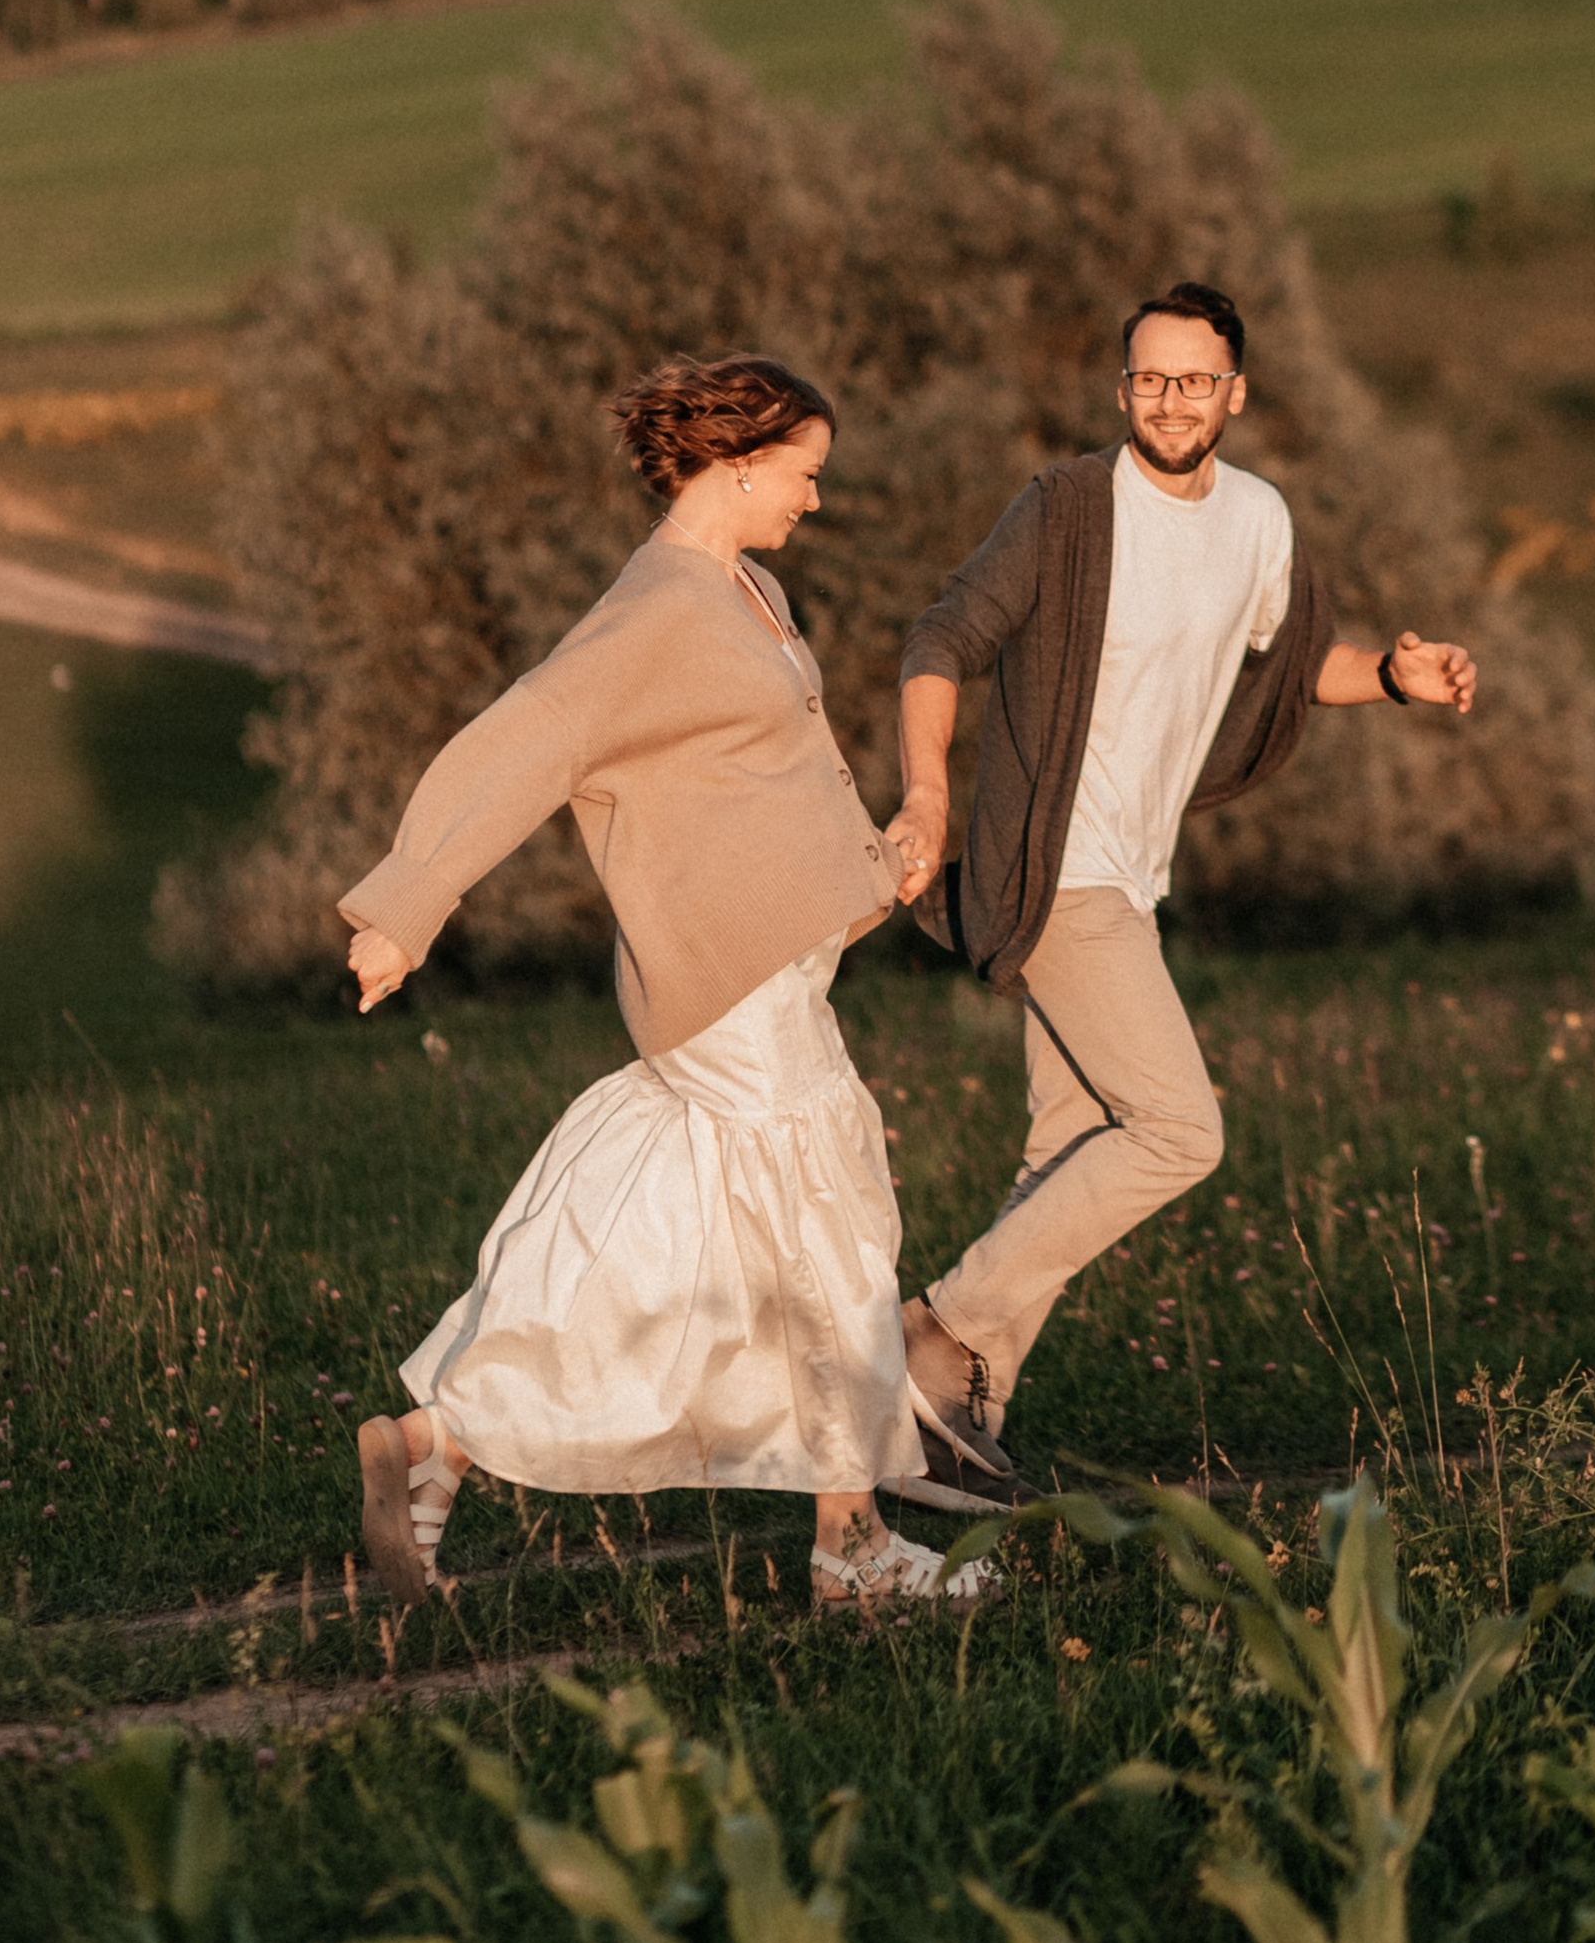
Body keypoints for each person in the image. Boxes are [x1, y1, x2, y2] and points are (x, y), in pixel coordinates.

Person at [338, 352, 986, 1612]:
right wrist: (407, 906)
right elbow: (523, 741)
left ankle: (438, 1443)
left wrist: (874, 859)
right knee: (835, 1229)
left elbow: (752, 782)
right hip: (730, 989)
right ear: (736, 466)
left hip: (764, 976)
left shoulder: (743, 586)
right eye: (802, 476)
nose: (812, 499)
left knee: (650, 1220)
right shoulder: (653, 613)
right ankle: (850, 1549)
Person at [882, 279, 1477, 1510]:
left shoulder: (1258, 521)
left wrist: (1394, 676)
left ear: (1234, 393)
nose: (1170, 400)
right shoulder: (1067, 509)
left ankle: (940, 1431)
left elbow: (1284, 662)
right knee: (1177, 1132)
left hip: (1129, 875)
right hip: (1053, 873)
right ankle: (928, 1338)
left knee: (1068, 1151)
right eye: (1149, 378)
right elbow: (942, 641)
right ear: (1122, 390)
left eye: (1194, 379)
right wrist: (929, 805)